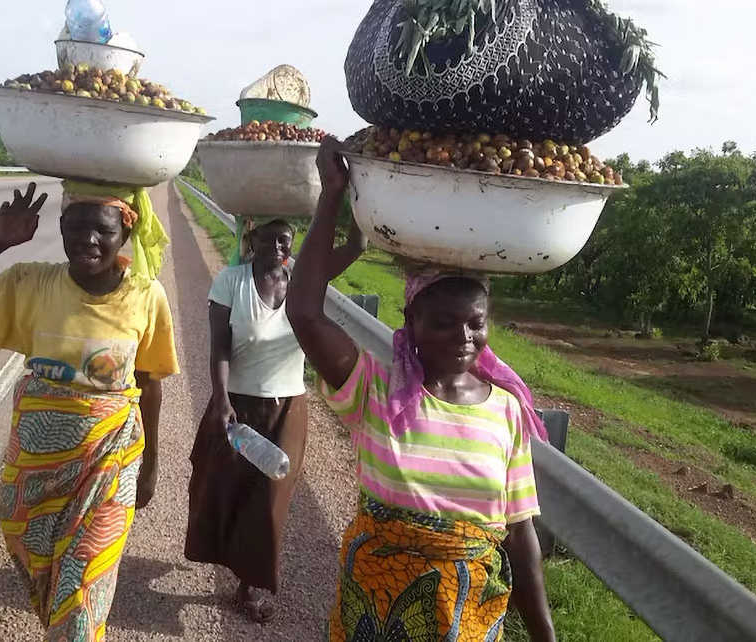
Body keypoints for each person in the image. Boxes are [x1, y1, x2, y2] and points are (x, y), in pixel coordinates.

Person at [287, 139, 556, 642]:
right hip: (376, 608)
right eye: (443, 322)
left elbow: (519, 533)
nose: (462, 336)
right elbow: (303, 313)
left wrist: (544, 634)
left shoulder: (507, 412)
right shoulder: (375, 389)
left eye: (475, 323)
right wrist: (332, 197)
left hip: (469, 618)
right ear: (410, 321)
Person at [0, 181, 178, 642]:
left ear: (125, 234)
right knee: (45, 574)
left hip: (110, 465)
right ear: (59, 229)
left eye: (102, 230)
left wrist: (152, 466)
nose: (88, 241)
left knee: (81, 595)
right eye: (75, 229)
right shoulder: (32, 283)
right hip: (36, 470)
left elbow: (150, 384)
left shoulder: (146, 296)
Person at [184, 214, 366, 622]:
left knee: (269, 501)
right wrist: (220, 398)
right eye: (269, 240)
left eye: (285, 241)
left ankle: (248, 585)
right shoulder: (231, 281)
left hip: (288, 409)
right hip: (238, 406)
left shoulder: (302, 280)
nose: (278, 248)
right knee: (221, 487)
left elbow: (356, 248)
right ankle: (228, 559)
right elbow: (220, 346)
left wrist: (351, 200)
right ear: (252, 240)